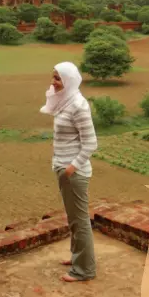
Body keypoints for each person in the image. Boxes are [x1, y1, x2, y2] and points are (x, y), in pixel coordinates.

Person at [40, 62, 98, 282]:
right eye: (53, 77)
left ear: (69, 81)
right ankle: (78, 258)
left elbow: (91, 143)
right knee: (74, 219)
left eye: (58, 78)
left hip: (73, 172)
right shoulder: (66, 102)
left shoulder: (78, 105)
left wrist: (72, 167)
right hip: (64, 167)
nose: (53, 82)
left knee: (80, 220)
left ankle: (84, 270)